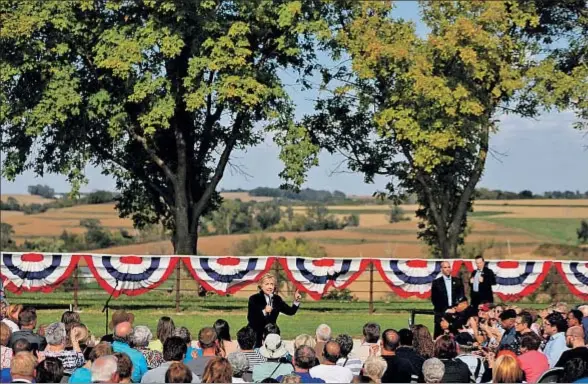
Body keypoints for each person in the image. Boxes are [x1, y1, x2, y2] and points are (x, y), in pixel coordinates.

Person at [247, 274, 302, 348]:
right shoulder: (254, 299)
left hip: (272, 335)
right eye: (267, 284)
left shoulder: (277, 299)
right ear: (261, 286)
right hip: (256, 335)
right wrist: (264, 311)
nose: (270, 287)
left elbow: (290, 311)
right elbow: (251, 319)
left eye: (272, 284)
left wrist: (296, 301)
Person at [431, 261, 464, 337]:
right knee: (439, 338)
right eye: (445, 267)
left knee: (456, 337)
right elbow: (435, 300)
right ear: (441, 269)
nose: (447, 269)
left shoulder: (457, 281)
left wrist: (455, 309)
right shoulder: (436, 283)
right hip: (441, 313)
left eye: (449, 267)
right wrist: (446, 310)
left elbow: (461, 297)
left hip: (455, 314)